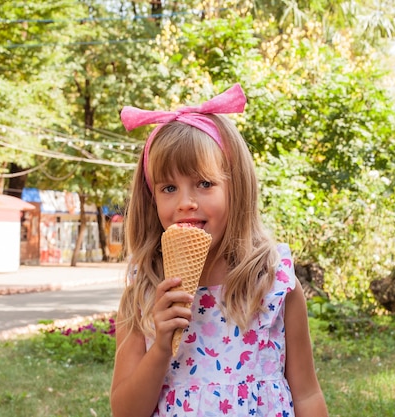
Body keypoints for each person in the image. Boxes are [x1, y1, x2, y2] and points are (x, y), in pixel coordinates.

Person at [110, 84, 328, 417]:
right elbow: (125, 412)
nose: (186, 202)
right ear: (151, 198)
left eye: (204, 183)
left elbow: (308, 393)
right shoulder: (143, 295)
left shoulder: (273, 284)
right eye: (168, 187)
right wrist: (161, 347)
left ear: (236, 187)